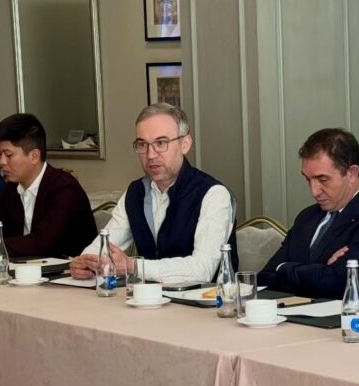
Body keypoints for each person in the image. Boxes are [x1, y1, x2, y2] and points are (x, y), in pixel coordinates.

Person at [69, 104, 236, 283]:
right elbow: (104, 245)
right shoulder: (136, 192)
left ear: (185, 144)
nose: (150, 155)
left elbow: (202, 270)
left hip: (208, 298)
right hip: (147, 297)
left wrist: (134, 267)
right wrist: (85, 262)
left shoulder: (213, 194)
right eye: (142, 144)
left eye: (161, 143)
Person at [258, 128, 359, 299]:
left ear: (352, 173)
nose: (314, 191)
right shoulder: (307, 217)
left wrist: (284, 268)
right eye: (308, 179)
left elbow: (340, 284)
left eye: (323, 179)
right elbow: (264, 277)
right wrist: (323, 269)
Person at [0, 114, 96, 257]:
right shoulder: (13, 186)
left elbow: (40, 243)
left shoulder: (65, 189)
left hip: (68, 268)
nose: (2, 162)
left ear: (34, 156)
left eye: (8, 155)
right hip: (27, 266)